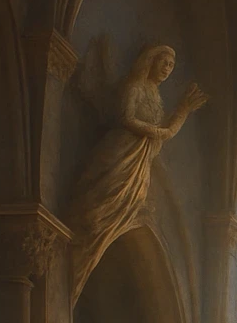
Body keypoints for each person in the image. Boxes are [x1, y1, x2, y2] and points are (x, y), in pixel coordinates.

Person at [70, 44, 207, 291]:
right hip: (120, 152)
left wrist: (183, 110)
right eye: (164, 62)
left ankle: (85, 254)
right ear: (151, 61)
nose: (167, 69)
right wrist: (158, 131)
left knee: (124, 208)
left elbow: (167, 132)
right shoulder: (133, 86)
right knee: (97, 207)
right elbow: (125, 117)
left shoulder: (157, 98)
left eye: (171, 66)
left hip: (140, 161)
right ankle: (78, 251)